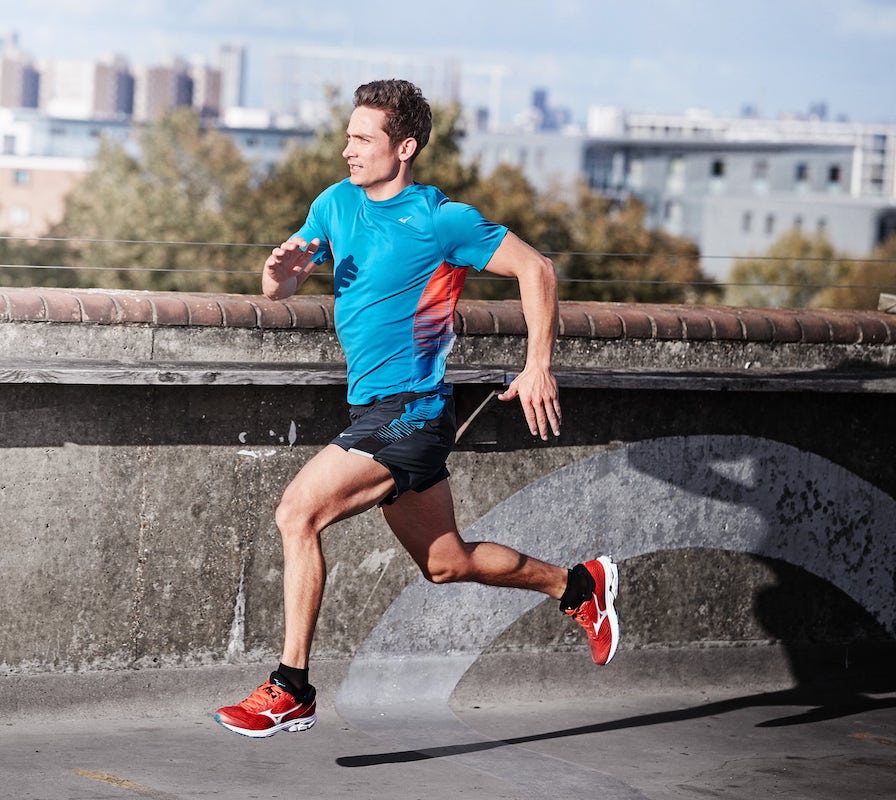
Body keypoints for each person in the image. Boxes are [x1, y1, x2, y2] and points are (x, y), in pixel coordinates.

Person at [213, 79, 619, 739]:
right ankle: (578, 587)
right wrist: (280, 270)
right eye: (347, 136)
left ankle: (291, 689)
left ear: (404, 147)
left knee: (297, 513)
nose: (348, 149)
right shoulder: (335, 205)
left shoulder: (440, 220)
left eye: (362, 138)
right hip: (373, 409)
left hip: (414, 411)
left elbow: (536, 270)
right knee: (445, 562)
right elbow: (282, 283)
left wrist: (539, 364)